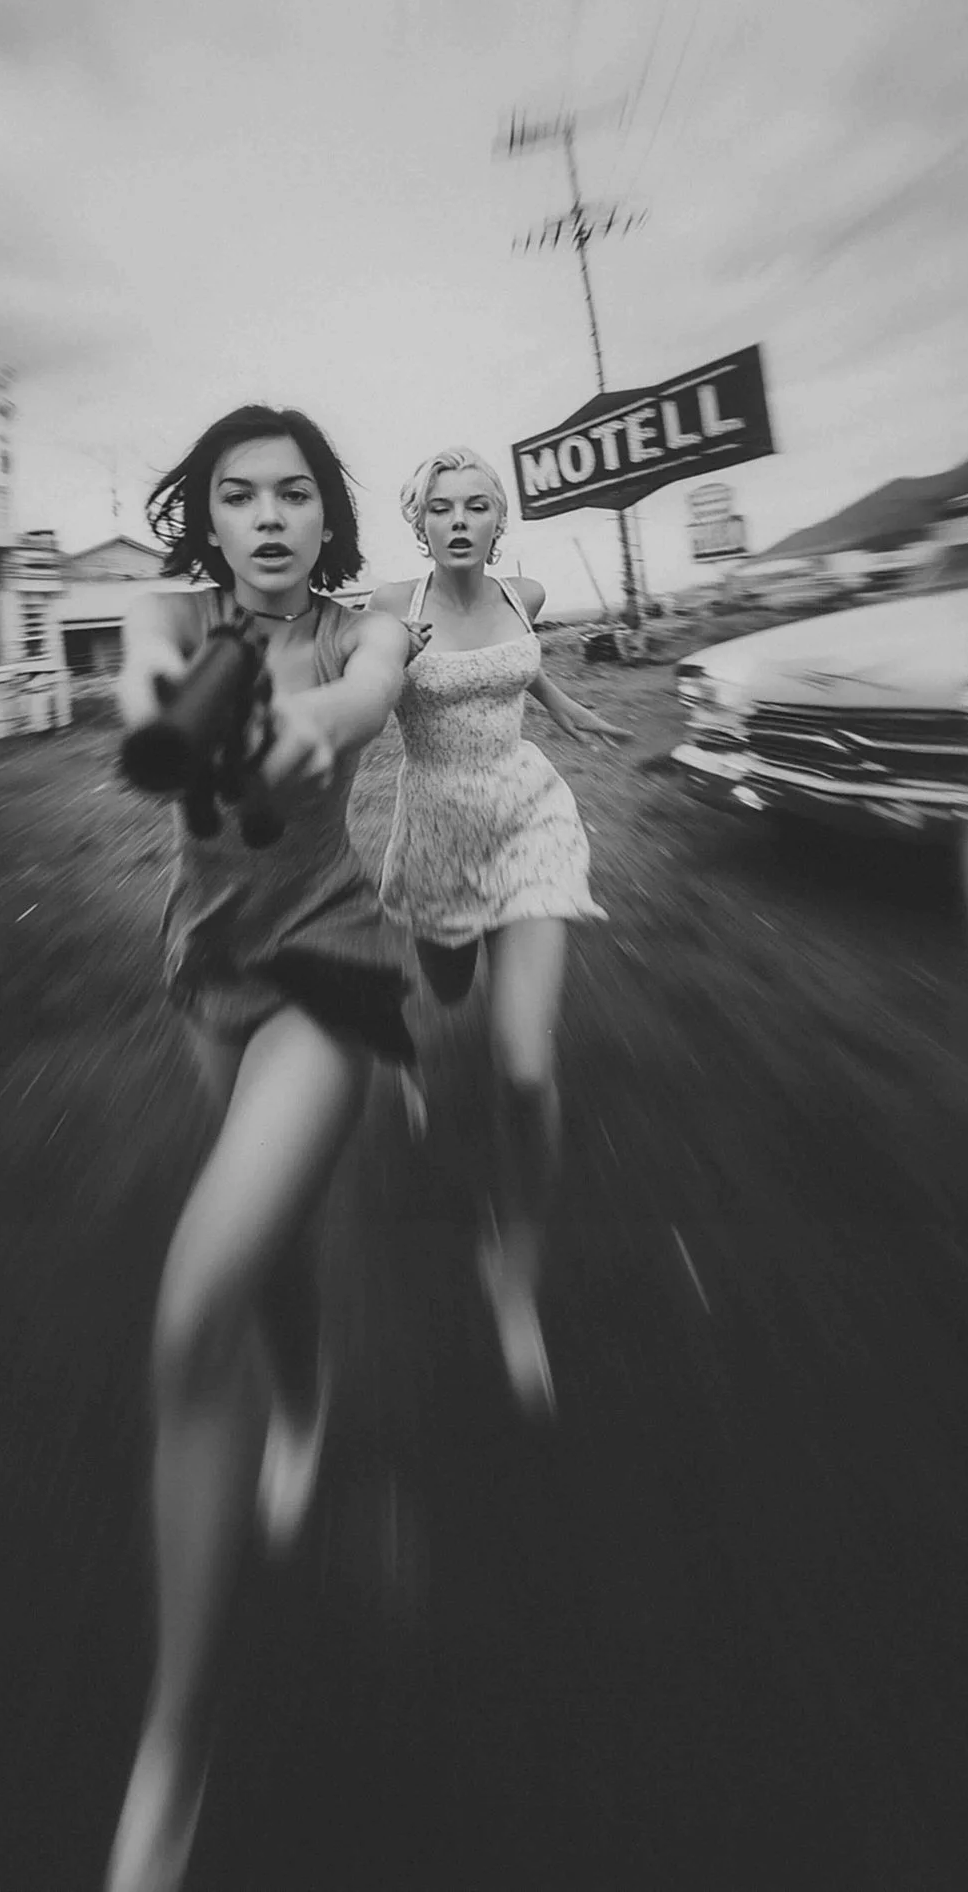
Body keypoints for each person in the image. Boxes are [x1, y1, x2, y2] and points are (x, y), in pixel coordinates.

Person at [103, 404, 413, 1892]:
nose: (272, 516)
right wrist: (190, 714)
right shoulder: (166, 614)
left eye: (296, 493)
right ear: (207, 518)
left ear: (326, 514)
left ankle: (173, 1750)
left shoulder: (370, 626)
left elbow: (362, 700)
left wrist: (318, 726)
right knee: (269, 1234)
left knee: (194, 1303)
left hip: (333, 968)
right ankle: (305, 1399)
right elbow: (150, 704)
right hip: (208, 974)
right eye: (242, 495)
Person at [368, 448, 628, 1417]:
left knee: (523, 1066)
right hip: (436, 833)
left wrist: (562, 704)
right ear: (421, 523)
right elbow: (361, 691)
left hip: (530, 817)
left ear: (499, 519)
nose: (462, 518)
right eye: (444, 507)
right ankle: (406, 1043)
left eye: (479, 504)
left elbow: (524, 666)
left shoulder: (527, 588)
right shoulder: (390, 610)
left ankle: (510, 1268)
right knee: (442, 990)